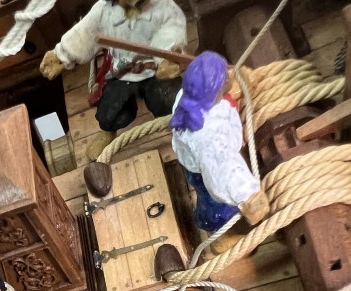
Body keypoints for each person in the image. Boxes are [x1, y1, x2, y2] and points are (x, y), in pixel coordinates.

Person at [40, 0, 187, 160]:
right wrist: (62, 55)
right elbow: (85, 32)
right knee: (108, 112)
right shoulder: (104, 11)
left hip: (154, 70)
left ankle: (178, 126)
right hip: (123, 72)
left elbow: (172, 29)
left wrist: (168, 58)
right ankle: (108, 132)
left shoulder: (162, 6)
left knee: (172, 99)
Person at [170, 51, 269, 240]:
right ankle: (211, 227)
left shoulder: (186, 96)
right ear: (215, 91)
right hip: (206, 170)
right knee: (218, 211)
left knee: (201, 184)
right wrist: (248, 195)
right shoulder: (212, 135)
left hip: (192, 160)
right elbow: (224, 169)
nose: (230, 76)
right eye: (225, 78)